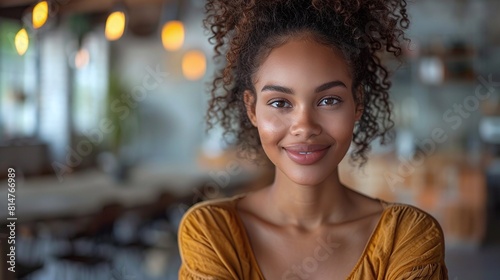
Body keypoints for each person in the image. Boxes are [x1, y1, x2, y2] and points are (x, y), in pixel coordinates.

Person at [178, 0, 448, 279]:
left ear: (357, 103)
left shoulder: (406, 236)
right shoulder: (211, 233)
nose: (304, 127)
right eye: (280, 103)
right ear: (251, 108)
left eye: (329, 100)